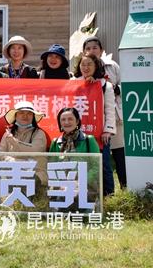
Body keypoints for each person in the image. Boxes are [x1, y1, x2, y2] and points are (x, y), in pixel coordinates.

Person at [83, 36, 126, 188]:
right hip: (92, 122)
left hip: (114, 117)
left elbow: (126, 85)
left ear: (101, 50)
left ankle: (124, 186)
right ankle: (95, 191)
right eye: (88, 48)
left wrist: (115, 88)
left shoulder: (112, 66)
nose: (92, 50)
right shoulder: (82, 71)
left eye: (95, 47)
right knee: (100, 159)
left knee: (119, 155)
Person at [73, 53, 116, 196]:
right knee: (80, 164)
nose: (85, 68)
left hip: (99, 133)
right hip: (78, 133)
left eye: (89, 64)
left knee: (103, 164)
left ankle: (108, 196)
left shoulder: (105, 85)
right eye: (83, 64)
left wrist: (108, 130)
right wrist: (84, 85)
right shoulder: (73, 83)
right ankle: (83, 196)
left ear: (96, 66)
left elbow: (109, 110)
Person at [49, 107, 101, 211]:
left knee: (77, 203)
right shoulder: (55, 143)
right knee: (60, 207)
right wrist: (60, 184)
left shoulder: (88, 140)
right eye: (63, 120)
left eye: (70, 119)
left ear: (77, 121)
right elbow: (51, 167)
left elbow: (96, 167)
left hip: (85, 186)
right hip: (61, 186)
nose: (66, 122)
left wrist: (80, 183)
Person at [0, 101, 48, 184]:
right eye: (21, 113)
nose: (25, 116)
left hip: (35, 178)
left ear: (33, 117)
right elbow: (1, 155)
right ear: (15, 116)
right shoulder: (8, 134)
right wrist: (15, 162)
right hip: (10, 176)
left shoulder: (39, 133)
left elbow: (35, 151)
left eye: (29, 113)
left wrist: (15, 142)